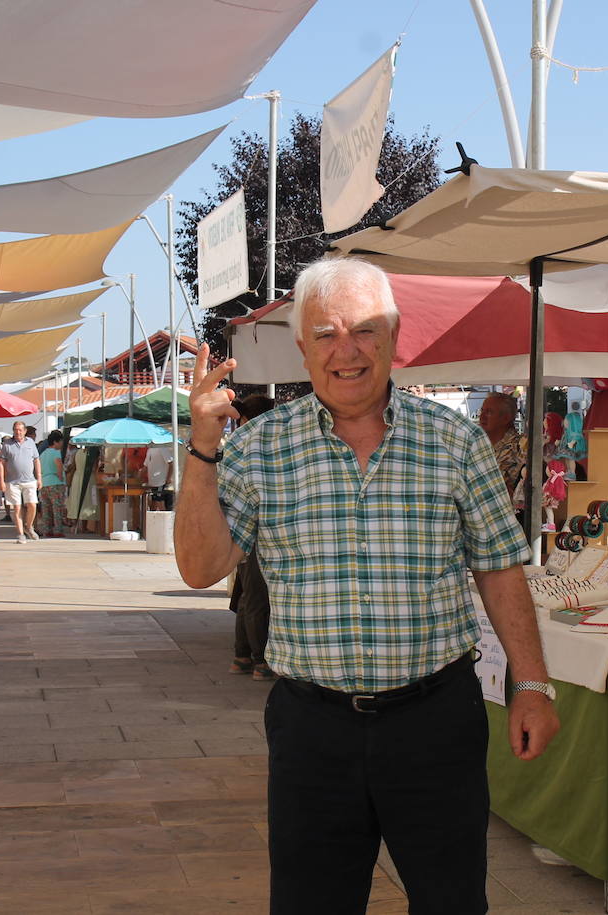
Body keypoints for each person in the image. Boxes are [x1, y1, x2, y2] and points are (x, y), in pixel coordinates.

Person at [175, 257, 559, 914]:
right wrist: (203, 445)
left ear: (394, 335)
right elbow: (199, 566)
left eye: (365, 330)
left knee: (452, 902)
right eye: (326, 333)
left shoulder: (455, 442)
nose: (346, 350)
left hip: (435, 722)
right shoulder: (258, 448)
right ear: (302, 347)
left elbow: (498, 566)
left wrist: (532, 684)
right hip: (312, 730)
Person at [226, 394, 274, 681]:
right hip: (256, 527)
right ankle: (260, 661)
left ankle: (242, 655)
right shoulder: (253, 443)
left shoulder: (238, 442)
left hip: (241, 529)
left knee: (246, 594)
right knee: (257, 597)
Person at [0, 421, 40, 543]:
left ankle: (29, 526)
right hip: (12, 481)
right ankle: (20, 534)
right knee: (17, 507)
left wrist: (39, 478)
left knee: (32, 505)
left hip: (29, 480)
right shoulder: (7, 445)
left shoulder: (31, 443)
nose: (17, 432)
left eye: (20, 430)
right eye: (15, 430)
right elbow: (1, 463)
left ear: (25, 431)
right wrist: (1, 481)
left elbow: (36, 460)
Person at [478, 391, 526, 500]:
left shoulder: (521, 446)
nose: (482, 416)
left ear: (506, 418)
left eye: (489, 412)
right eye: (482, 411)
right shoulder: (477, 446)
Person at [36, 430, 70, 538]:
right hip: (55, 482)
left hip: (44, 483)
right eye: (60, 442)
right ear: (55, 442)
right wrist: (60, 477)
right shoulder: (55, 452)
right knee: (57, 508)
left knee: (46, 508)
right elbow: (58, 465)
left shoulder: (43, 453)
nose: (61, 444)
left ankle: (47, 530)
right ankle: (58, 530)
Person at [143, 444, 173, 511]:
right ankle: (152, 521)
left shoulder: (162, 448)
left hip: (161, 482)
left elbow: (171, 464)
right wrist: (138, 477)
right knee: (153, 504)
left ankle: (165, 521)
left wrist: (168, 478)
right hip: (152, 483)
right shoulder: (149, 450)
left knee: (160, 503)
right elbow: (145, 466)